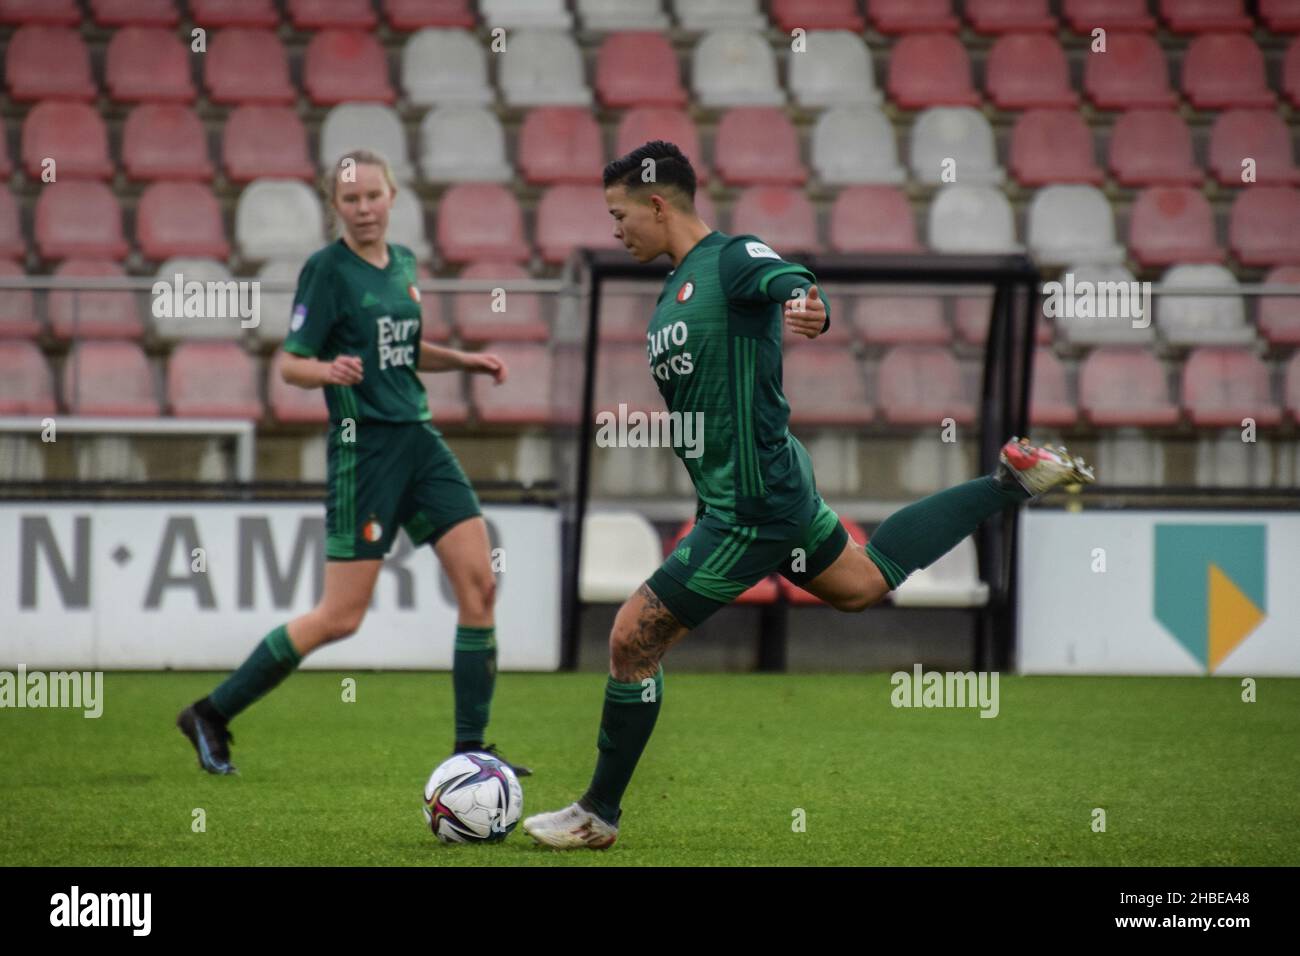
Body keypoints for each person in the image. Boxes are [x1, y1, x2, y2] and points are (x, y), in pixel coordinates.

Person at [522, 140, 1093, 849]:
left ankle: (597, 813)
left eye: (618, 214)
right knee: (860, 584)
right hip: (754, 492)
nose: (614, 230)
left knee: (631, 639)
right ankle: (1006, 482)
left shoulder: (728, 259)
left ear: (658, 204)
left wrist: (807, 304)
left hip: (752, 503)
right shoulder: (672, 289)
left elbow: (790, 279)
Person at [177, 149, 530, 778]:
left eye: (374, 195)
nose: (364, 208)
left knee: (480, 586)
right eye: (351, 199)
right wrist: (326, 370)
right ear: (333, 206)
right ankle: (212, 711)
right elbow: (289, 361)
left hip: (420, 442)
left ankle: (470, 750)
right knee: (341, 618)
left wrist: (467, 361)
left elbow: (404, 347)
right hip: (363, 450)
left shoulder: (402, 264)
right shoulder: (327, 270)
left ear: (394, 196)